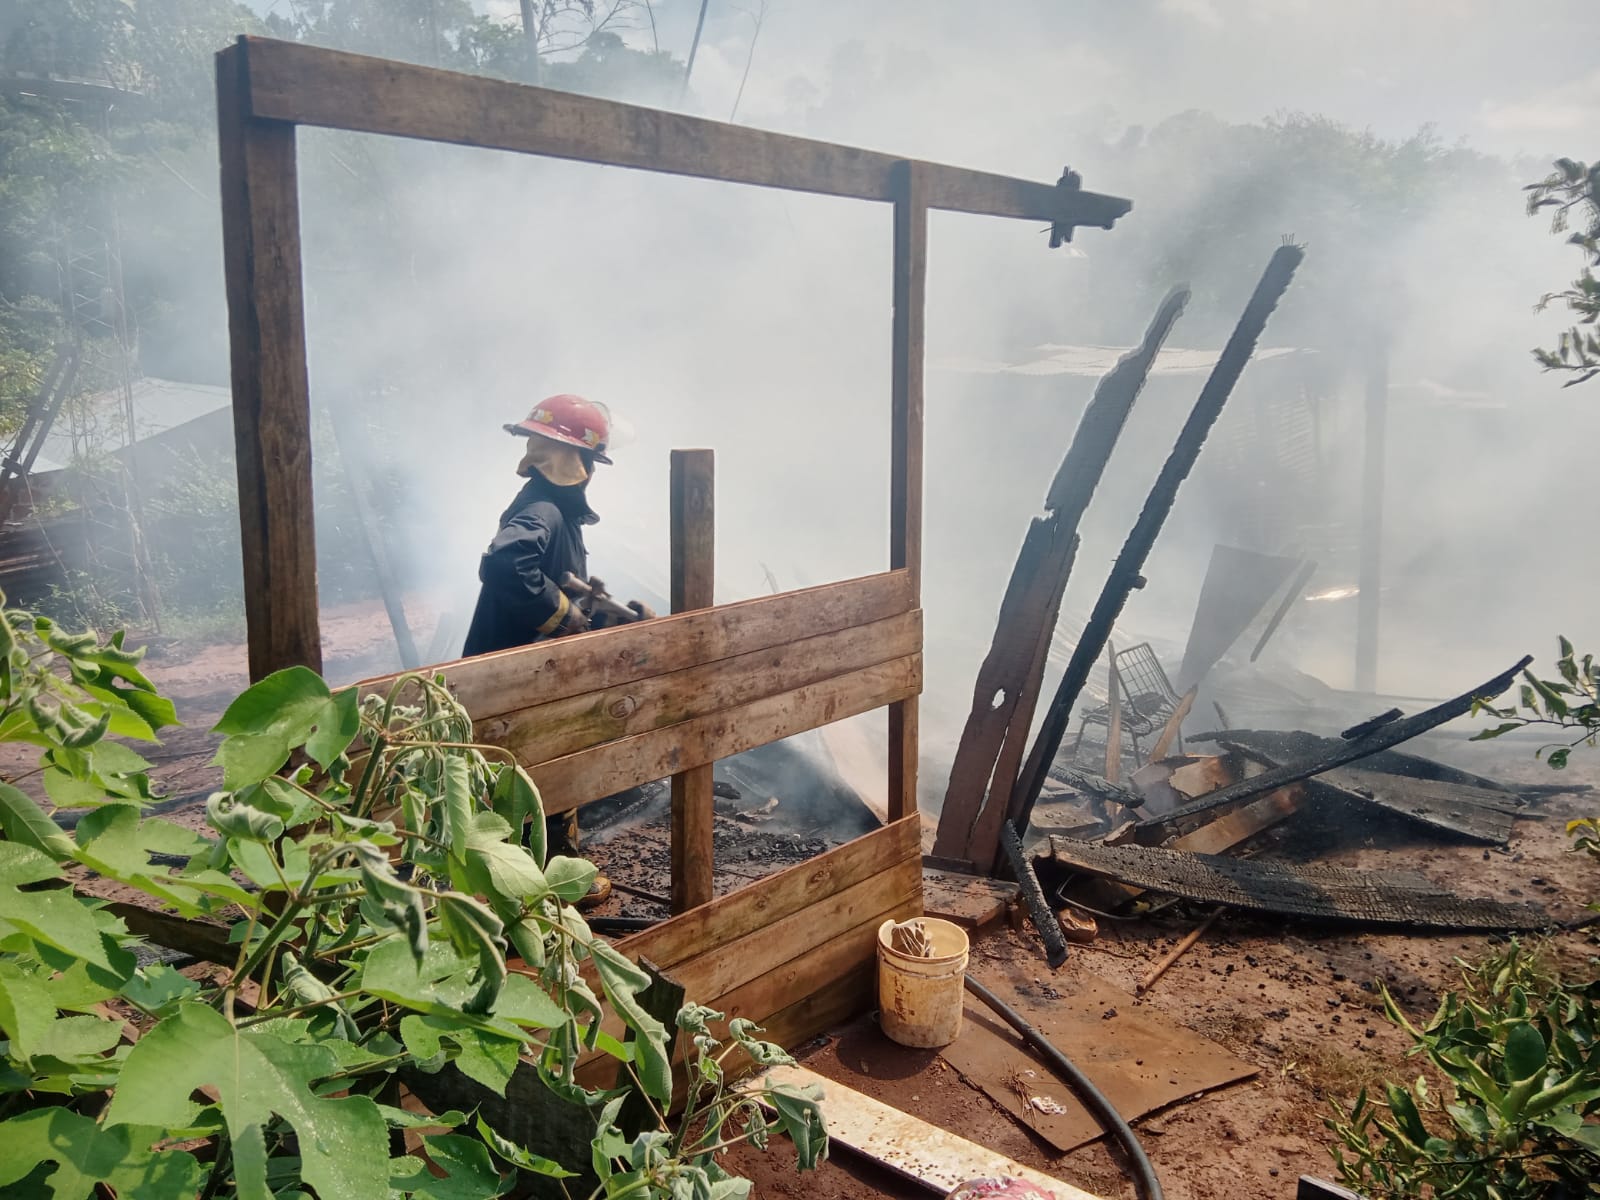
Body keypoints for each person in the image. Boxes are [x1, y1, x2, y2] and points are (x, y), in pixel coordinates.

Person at [462, 394, 615, 905]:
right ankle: (536, 885)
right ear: (578, 463)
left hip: (528, 670)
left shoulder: (551, 511)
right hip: (514, 671)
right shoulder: (545, 508)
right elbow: (507, 565)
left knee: (547, 763)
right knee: (530, 772)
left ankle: (551, 872)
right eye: (591, 461)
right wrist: (562, 614)